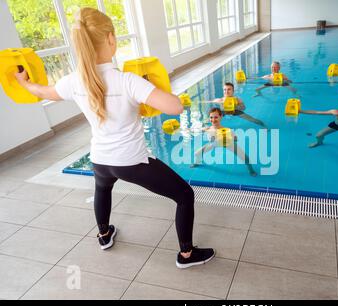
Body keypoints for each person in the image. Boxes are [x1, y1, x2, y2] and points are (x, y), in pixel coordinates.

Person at [15, 8, 214, 269]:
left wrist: (23, 82)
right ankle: (186, 255)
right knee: (185, 195)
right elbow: (175, 107)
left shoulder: (75, 81)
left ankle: (104, 235)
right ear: (110, 39)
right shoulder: (128, 81)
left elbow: (43, 92)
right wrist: (151, 85)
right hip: (131, 162)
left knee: (102, 188)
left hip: (99, 159)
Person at [191, 108, 257, 176]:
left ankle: (251, 170)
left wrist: (229, 138)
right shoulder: (208, 128)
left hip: (227, 144)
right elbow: (197, 130)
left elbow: (236, 139)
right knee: (197, 153)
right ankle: (198, 162)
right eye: (211, 117)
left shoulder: (227, 130)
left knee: (245, 157)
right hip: (214, 144)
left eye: (216, 117)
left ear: (221, 117)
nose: (213, 120)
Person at [202, 82, 266, 127]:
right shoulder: (220, 100)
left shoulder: (237, 100)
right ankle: (204, 126)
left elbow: (244, 108)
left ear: (233, 91)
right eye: (225, 90)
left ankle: (264, 125)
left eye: (229, 89)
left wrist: (237, 106)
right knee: (210, 118)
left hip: (236, 111)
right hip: (224, 112)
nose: (226, 91)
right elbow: (208, 102)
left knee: (252, 119)